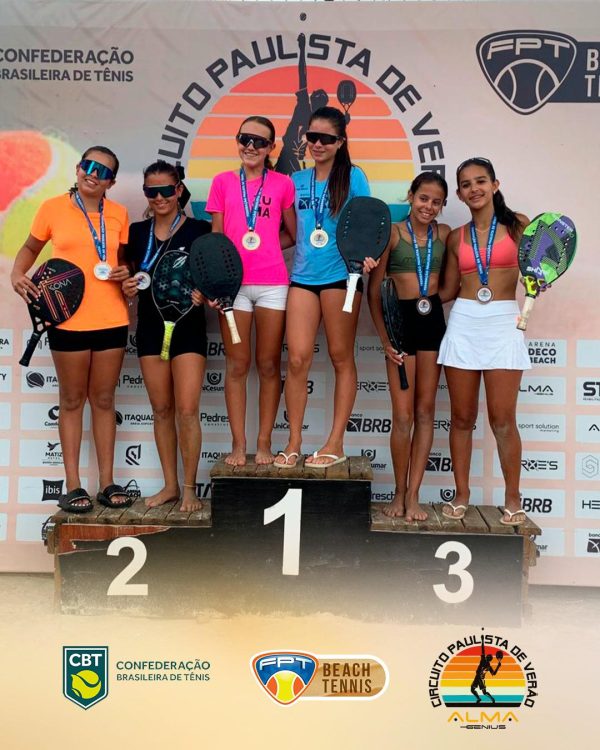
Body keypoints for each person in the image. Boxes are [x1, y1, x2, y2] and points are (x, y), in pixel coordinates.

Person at [11, 146, 132, 512]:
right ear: (78, 168)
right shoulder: (52, 208)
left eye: (103, 171)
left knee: (104, 401)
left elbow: (121, 262)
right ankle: (74, 486)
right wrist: (17, 274)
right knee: (72, 400)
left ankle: (107, 483)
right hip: (66, 320)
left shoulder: (119, 213)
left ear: (111, 182)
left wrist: (126, 273)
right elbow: (29, 248)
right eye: (88, 165)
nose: (93, 174)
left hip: (112, 318)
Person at [275, 106, 376, 469]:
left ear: (340, 142)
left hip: (341, 277)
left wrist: (367, 257)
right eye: (312, 136)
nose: (317, 144)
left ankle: (335, 443)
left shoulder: (353, 176)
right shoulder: (295, 180)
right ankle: (294, 441)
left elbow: (367, 224)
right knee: (297, 359)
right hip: (302, 278)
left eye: (326, 139)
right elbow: (285, 231)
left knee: (340, 356)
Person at [438, 157, 531, 525]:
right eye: (466, 184)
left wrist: (539, 281)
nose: (474, 188)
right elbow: (447, 290)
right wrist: (411, 296)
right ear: (460, 194)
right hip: (463, 322)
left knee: (503, 419)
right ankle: (461, 494)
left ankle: (513, 498)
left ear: (495, 185)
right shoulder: (455, 237)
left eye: (480, 181)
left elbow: (536, 272)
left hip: (504, 322)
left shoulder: (519, 224)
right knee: (462, 418)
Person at [206, 116, 296, 466]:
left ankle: (264, 442)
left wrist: (268, 247)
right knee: (237, 364)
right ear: (237, 140)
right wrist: (217, 281)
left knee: (269, 364)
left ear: (271, 147)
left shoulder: (283, 184)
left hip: (273, 284)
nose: (251, 146)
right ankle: (238, 444)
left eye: (260, 142)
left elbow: (293, 234)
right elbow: (216, 241)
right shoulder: (222, 182)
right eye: (245, 138)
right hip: (234, 287)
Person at [122, 160, 210, 512]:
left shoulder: (200, 230)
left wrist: (204, 292)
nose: (159, 198)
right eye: (151, 191)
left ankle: (189, 488)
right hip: (150, 326)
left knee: (187, 410)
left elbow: (213, 278)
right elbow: (128, 277)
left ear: (178, 190)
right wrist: (126, 285)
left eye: (165, 191)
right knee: (161, 409)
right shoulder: (136, 233)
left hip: (188, 326)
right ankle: (170, 485)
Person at [368, 173, 450, 521]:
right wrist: (386, 339)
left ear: (442, 206)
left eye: (436, 202)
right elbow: (374, 292)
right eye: (423, 198)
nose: (428, 206)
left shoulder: (445, 235)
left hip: (431, 324)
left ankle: (414, 494)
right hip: (399, 326)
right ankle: (399, 492)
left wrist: (431, 302)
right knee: (402, 416)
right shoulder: (392, 233)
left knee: (425, 413)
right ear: (411, 196)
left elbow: (452, 285)